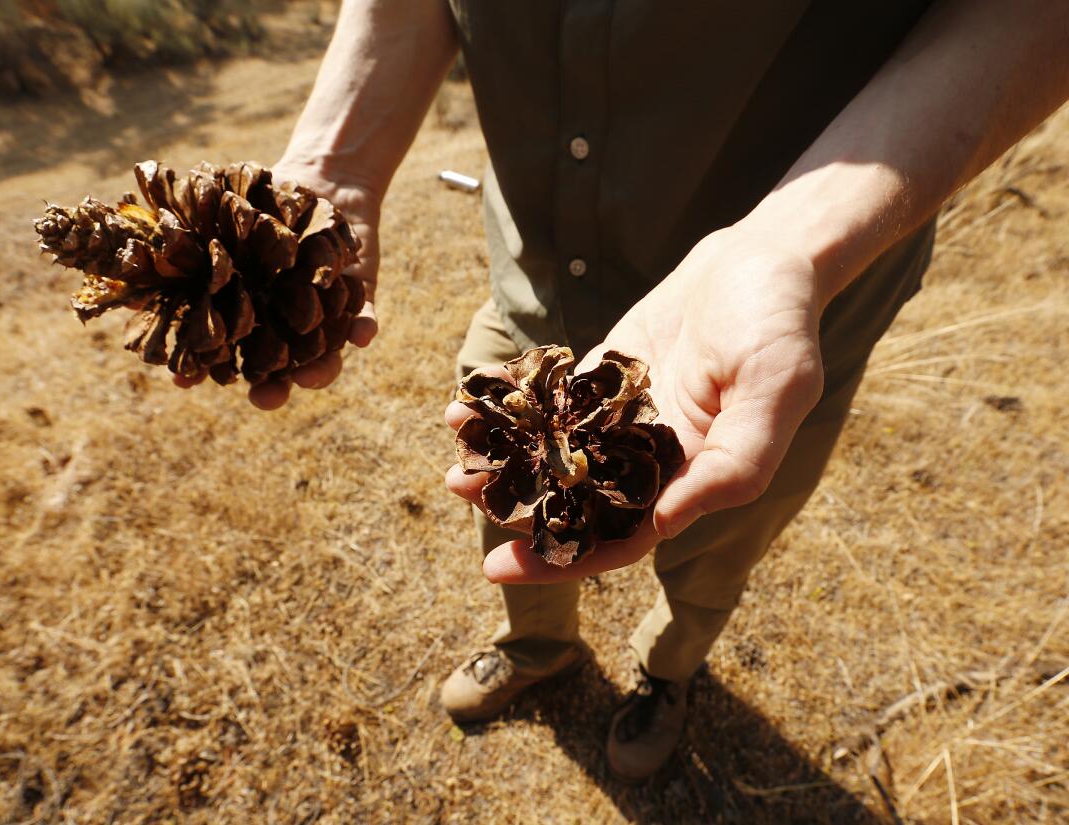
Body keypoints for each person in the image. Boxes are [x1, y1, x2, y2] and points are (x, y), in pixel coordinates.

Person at [178, 1, 1069, 781]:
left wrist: (791, 244)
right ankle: (539, 649)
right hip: (533, 284)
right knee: (504, 505)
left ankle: (668, 672)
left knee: (714, 530)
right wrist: (337, 161)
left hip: (772, 314)